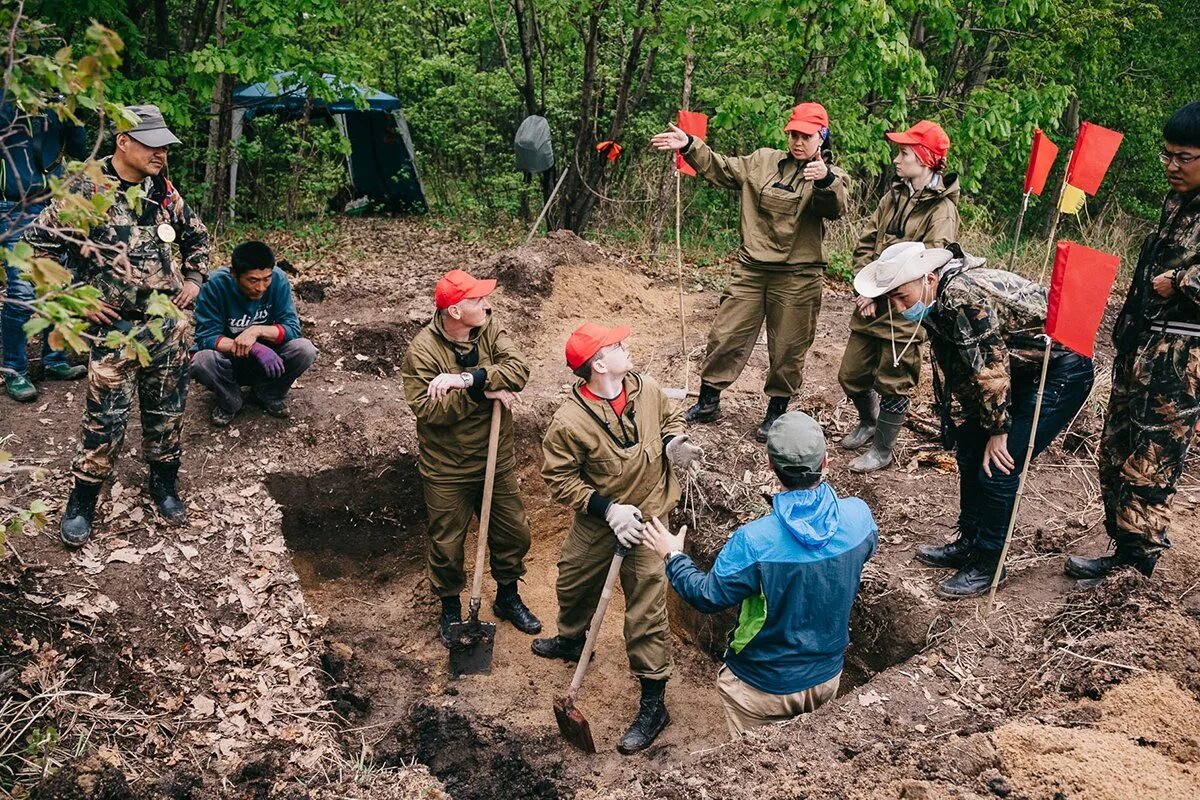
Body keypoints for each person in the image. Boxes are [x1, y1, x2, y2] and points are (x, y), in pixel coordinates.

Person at [856, 242, 1094, 598]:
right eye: (892, 300)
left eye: (902, 297)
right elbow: (965, 367)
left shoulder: (962, 296)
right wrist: (972, 424)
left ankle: (988, 564)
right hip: (1018, 371)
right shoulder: (936, 297)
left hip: (1057, 370)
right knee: (969, 451)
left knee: (1000, 465)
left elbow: (989, 366)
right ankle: (968, 542)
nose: (900, 308)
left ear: (929, 279)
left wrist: (998, 430)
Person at [24, 104, 210, 547]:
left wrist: (195, 279)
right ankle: (83, 500)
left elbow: (197, 238)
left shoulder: (162, 190)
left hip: (169, 328)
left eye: (166, 146)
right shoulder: (85, 190)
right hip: (115, 333)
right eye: (154, 144)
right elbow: (38, 246)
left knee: (168, 414)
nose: (163, 153)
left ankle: (164, 486)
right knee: (104, 420)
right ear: (123, 141)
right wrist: (74, 297)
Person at [644, 411, 877, 738]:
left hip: (762, 687)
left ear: (770, 465)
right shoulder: (859, 518)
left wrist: (673, 556)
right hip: (826, 677)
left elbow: (707, 596)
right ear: (826, 461)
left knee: (756, 767)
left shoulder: (754, 541)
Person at [536, 323, 703, 754]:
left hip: (650, 519)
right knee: (572, 579)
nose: (627, 348)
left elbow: (670, 418)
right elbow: (558, 479)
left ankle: (653, 701)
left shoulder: (645, 388)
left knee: (645, 609)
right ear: (598, 364)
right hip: (600, 519)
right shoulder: (569, 422)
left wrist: (673, 443)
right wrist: (607, 510)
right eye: (617, 345)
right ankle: (574, 641)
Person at [651, 103, 848, 441]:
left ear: (822, 137)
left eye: (806, 135)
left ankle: (776, 412)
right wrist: (689, 145)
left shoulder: (830, 176)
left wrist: (825, 179)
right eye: (793, 134)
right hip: (752, 268)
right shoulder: (763, 161)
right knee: (726, 334)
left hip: (798, 276)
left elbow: (835, 207)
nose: (798, 141)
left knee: (788, 347)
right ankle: (709, 401)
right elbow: (723, 169)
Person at [1066, 100, 1200, 585]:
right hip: (1141, 348)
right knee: (1116, 451)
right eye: (1167, 155)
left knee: (1151, 460)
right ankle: (1123, 550)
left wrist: (1184, 281)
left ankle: (1137, 571)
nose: (1171, 166)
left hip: (1179, 359)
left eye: (1184, 156)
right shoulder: (1176, 204)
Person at [401, 269, 541, 646]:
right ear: (456, 311)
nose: (488, 304)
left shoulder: (489, 329)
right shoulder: (423, 351)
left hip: (496, 458)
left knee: (514, 533)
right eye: (478, 300)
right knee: (447, 546)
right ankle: (450, 607)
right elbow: (432, 411)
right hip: (447, 467)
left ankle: (507, 596)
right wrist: (485, 393)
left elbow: (519, 370)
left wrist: (471, 380)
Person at [838, 121, 961, 472]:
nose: (897, 158)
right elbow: (866, 241)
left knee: (894, 381)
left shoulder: (942, 210)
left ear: (924, 159)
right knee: (851, 375)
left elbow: (929, 265)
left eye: (904, 153)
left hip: (906, 307)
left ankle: (883, 450)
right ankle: (868, 420)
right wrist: (865, 288)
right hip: (872, 300)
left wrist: (882, 292)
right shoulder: (893, 195)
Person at [1, 100, 89, 401]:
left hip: (54, 203)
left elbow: (79, 149)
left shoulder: (58, 106)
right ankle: (14, 370)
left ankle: (55, 360)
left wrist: (71, 113)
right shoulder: (4, 102)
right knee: (23, 291)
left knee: (60, 284)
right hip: (13, 206)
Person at [190, 240, 316, 426]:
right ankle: (231, 399)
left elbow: (292, 328)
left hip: (270, 361)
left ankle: (268, 394)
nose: (261, 287)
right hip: (229, 361)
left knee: (305, 349)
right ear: (234, 274)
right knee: (201, 361)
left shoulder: (279, 279)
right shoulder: (214, 285)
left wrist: (256, 331)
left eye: (266, 279)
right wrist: (253, 347)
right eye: (253, 280)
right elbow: (206, 337)